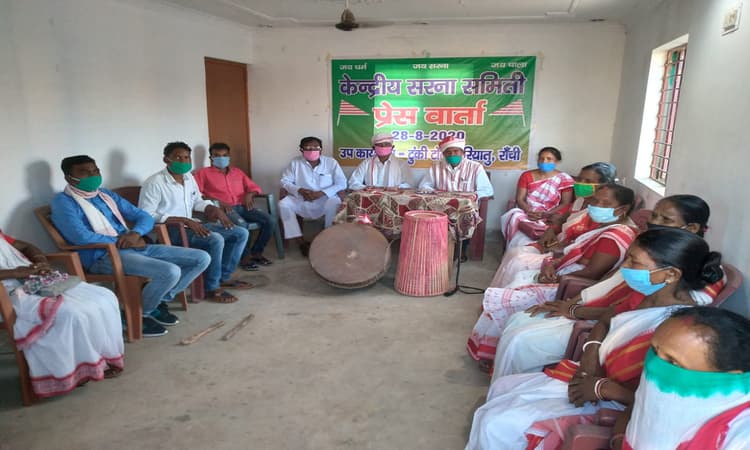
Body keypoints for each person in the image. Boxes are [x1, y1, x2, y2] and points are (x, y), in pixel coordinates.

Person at [465, 228, 724, 450]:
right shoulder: (646, 295)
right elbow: (604, 321)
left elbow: (664, 405)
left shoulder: (683, 331)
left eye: (634, 262)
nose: (625, 267)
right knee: (501, 389)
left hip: (615, 403)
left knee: (495, 424)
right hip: (593, 374)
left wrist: (602, 388)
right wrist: (589, 361)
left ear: (671, 274)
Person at [491, 194, 716, 379]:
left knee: (520, 340)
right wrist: (573, 305)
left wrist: (575, 311)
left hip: (601, 332)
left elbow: (627, 314)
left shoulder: (678, 285)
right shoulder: (650, 261)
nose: (654, 222)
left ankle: (508, 382)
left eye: (665, 219)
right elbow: (614, 296)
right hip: (596, 317)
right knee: (519, 319)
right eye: (654, 215)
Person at [467, 184, 638, 363]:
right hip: (563, 274)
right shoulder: (605, 226)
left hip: (568, 285)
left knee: (508, 300)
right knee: (518, 279)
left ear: (622, 209)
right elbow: (573, 251)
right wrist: (551, 264)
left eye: (605, 203)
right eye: (595, 200)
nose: (596, 206)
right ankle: (491, 348)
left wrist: (557, 278)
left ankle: (491, 353)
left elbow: (592, 273)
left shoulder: (614, 236)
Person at [51, 155, 211, 337]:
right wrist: (122, 240)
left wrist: (135, 234)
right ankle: (139, 314)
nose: (92, 175)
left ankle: (156, 301)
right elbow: (80, 236)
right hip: (103, 255)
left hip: (132, 245)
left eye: (95, 171)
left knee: (201, 258)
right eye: (84, 172)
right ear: (69, 177)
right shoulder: (63, 202)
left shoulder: (105, 195)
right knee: (170, 271)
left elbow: (144, 216)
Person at [0, 229, 124, 396]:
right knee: (70, 313)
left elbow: (25, 246)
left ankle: (98, 358)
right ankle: (69, 371)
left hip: (32, 280)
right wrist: (15, 272)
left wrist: (40, 261)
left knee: (104, 296)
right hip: (8, 292)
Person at [615, 307, 750, 450]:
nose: (653, 365)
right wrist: (617, 439)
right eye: (654, 350)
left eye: (673, 363)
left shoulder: (741, 437)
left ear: (728, 380)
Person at [139, 142, 251, 304]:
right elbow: (147, 215)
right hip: (170, 230)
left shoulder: (188, 178)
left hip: (191, 225)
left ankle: (223, 277)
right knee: (215, 239)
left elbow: (197, 201)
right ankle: (212, 287)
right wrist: (184, 220)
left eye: (186, 157)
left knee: (240, 232)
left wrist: (214, 209)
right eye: (178, 157)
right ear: (166, 159)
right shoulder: (155, 182)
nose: (183, 161)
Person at [193, 142, 276, 271]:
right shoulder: (203, 173)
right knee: (242, 225)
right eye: (217, 155)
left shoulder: (237, 172)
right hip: (224, 209)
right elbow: (198, 195)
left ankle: (257, 252)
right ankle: (244, 257)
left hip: (243, 206)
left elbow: (254, 187)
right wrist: (219, 202)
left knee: (270, 220)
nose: (221, 158)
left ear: (229, 156)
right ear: (211, 157)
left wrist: (250, 194)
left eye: (224, 155)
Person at [514, 162, 618, 250]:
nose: (580, 183)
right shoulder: (579, 202)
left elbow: (587, 241)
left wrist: (559, 249)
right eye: (579, 179)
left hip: (572, 251)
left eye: (588, 181)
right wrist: (550, 230)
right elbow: (561, 220)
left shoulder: (602, 212)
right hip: (558, 244)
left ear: (605, 185)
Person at [279, 136, 347, 256]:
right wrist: (300, 190)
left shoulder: (331, 162)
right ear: (301, 149)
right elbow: (285, 181)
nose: (312, 150)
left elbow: (342, 183)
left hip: (324, 199)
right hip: (302, 199)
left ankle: (327, 238)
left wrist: (321, 193)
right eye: (308, 148)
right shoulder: (295, 162)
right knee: (283, 204)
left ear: (321, 149)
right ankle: (300, 241)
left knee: (334, 202)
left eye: (316, 147)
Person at [500, 147, 574, 247]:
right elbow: (520, 199)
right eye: (541, 158)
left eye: (549, 159)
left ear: (556, 161)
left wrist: (547, 214)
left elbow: (566, 203)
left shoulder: (564, 179)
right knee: (514, 215)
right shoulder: (526, 175)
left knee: (554, 224)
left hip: (551, 214)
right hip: (528, 212)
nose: (544, 161)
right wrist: (530, 211)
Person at [417, 136, 494, 199]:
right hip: (441, 206)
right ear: (443, 154)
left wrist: (473, 196)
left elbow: (487, 190)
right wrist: (435, 193)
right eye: (448, 152)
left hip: (466, 209)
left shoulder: (475, 167)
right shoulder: (435, 167)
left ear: (463, 152)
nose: (452, 154)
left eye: (456, 151)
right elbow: (423, 186)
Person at [348, 133, 412, 191]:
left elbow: (409, 184)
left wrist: (397, 187)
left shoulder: (401, 164)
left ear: (392, 147)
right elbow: (353, 182)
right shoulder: (366, 163)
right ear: (373, 148)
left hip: (395, 197)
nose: (383, 147)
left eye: (386, 144)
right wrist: (365, 188)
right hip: (372, 197)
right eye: (380, 145)